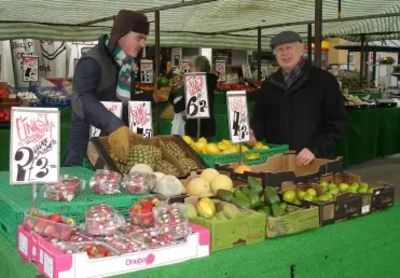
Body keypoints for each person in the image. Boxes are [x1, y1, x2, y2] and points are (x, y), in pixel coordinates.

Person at [64, 10, 169, 166]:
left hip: (115, 150)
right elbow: (82, 99)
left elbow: (124, 102)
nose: (142, 44)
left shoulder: (126, 65)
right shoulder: (91, 61)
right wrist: (113, 124)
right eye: (139, 38)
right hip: (85, 150)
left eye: (145, 39)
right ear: (122, 34)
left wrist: (151, 97)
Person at [250, 31, 348, 165]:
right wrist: (253, 132)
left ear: (301, 49)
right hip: (278, 160)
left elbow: (337, 123)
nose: (284, 53)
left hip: (314, 161)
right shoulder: (269, 85)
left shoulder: (324, 81)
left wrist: (316, 149)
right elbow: (260, 117)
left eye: (289, 47)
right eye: (279, 50)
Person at [170, 56, 218, 138]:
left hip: (195, 129)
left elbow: (179, 107)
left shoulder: (195, 83)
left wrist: (172, 91)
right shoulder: (210, 81)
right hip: (208, 126)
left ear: (198, 68)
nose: (189, 69)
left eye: (191, 66)